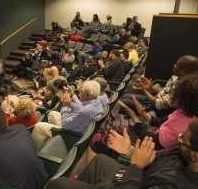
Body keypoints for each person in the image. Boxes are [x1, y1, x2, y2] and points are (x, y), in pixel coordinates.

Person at [46, 120, 198, 189]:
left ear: (195, 156)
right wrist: (130, 151)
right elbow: (154, 158)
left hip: (132, 182)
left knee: (60, 184)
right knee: (100, 160)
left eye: (182, 139)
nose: (178, 141)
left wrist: (136, 166)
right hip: (135, 177)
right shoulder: (181, 154)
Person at [119, 72, 198, 150]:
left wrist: (134, 117)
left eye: (176, 97)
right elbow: (161, 122)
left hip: (152, 148)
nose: (173, 99)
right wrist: (144, 114)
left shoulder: (182, 129)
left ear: (185, 101)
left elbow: (152, 141)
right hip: (157, 135)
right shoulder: (185, 111)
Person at [32, 80, 104, 149]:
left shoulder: (85, 111)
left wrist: (65, 106)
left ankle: (39, 152)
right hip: (79, 127)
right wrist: (70, 103)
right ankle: (52, 139)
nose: (79, 94)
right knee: (52, 113)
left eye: (81, 92)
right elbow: (81, 107)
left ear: (87, 95)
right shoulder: (96, 102)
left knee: (38, 126)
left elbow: (65, 125)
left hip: (72, 135)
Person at [119, 55, 198, 114]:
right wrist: (151, 88)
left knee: (125, 102)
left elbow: (157, 103)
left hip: (156, 109)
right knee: (126, 96)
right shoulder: (175, 77)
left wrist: (144, 91)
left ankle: (120, 122)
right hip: (154, 99)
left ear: (182, 71)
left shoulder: (182, 89)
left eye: (177, 64)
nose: (174, 65)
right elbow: (165, 89)